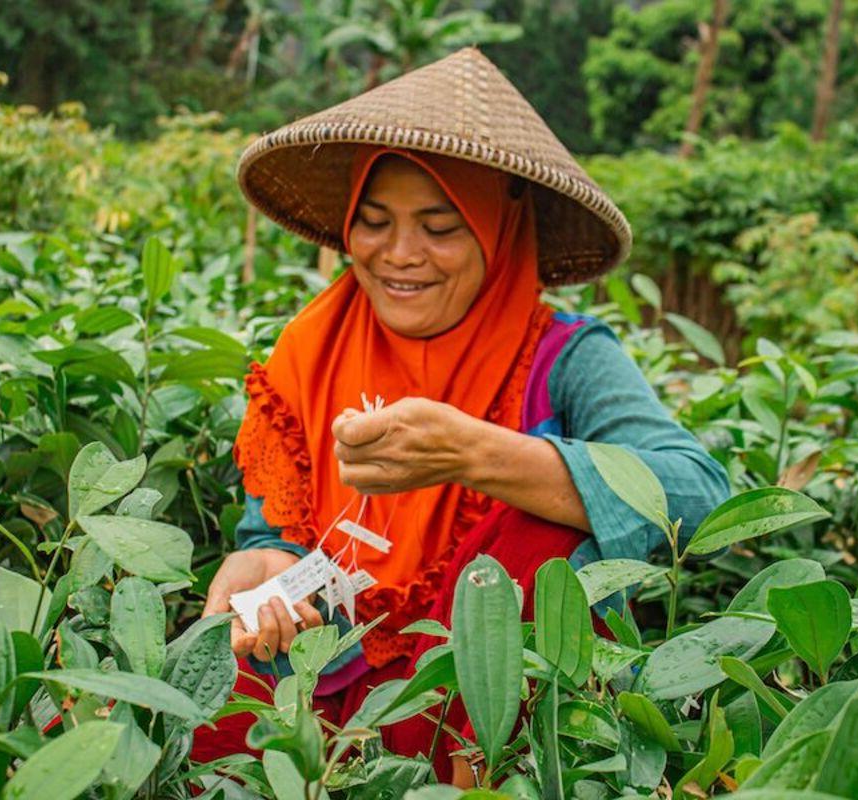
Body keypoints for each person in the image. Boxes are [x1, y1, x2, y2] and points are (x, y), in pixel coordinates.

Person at [194, 47, 731, 783]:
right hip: (323, 677)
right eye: (373, 222)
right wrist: (262, 565)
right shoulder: (313, 347)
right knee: (188, 713)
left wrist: (481, 456)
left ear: (498, 232)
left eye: (441, 228)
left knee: (539, 530)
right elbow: (278, 536)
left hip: (475, 696)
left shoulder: (566, 358)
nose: (399, 255)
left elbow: (701, 494)